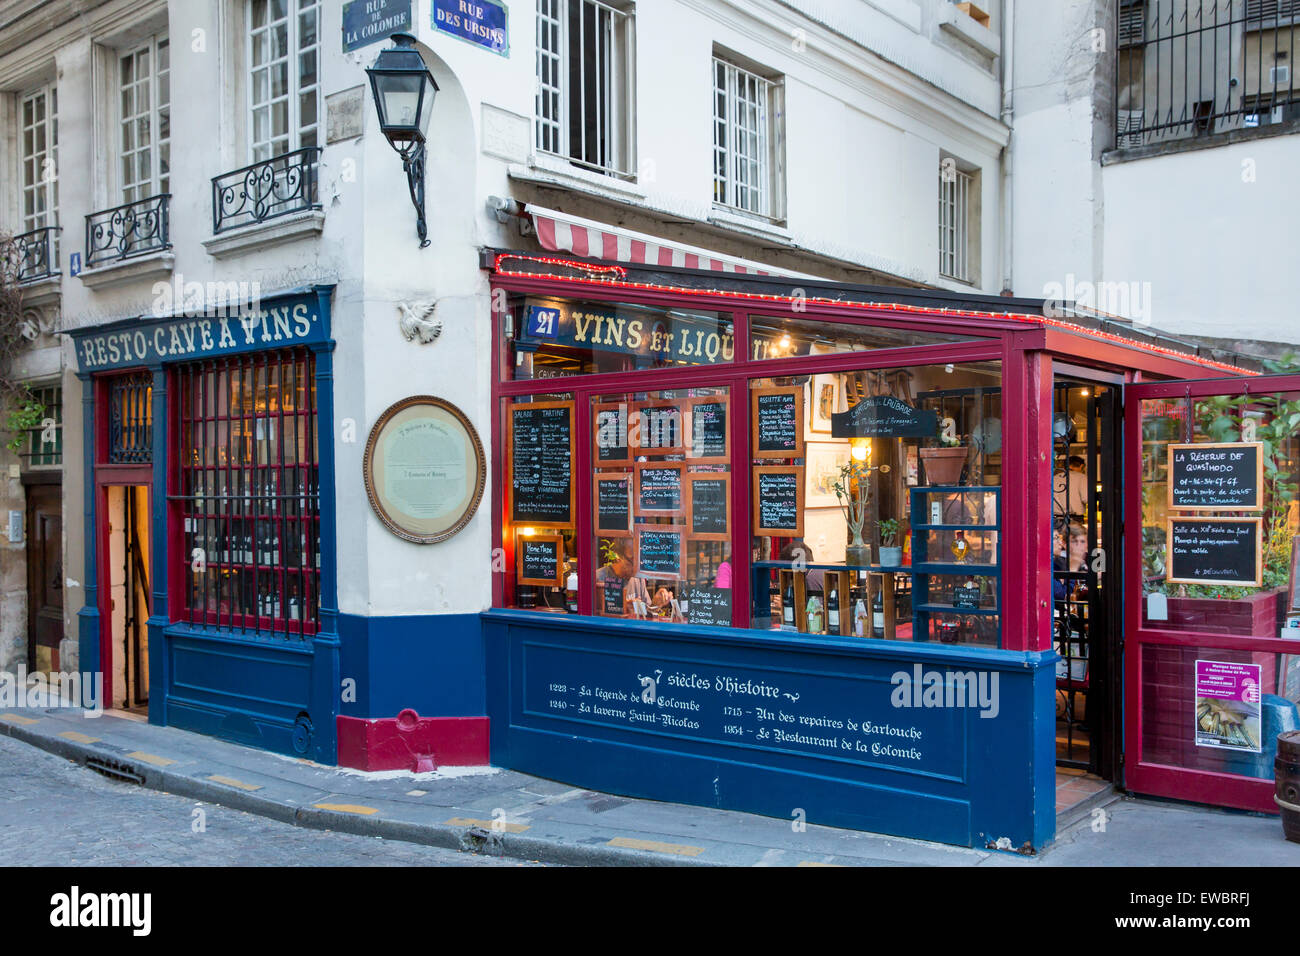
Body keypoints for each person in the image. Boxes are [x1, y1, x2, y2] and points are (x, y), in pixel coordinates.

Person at [596, 540, 651, 616]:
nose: (637, 567)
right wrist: (623, 608)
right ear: (618, 557)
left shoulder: (638, 579)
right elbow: (594, 617)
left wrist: (657, 603)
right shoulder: (598, 578)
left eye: (639, 560)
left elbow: (646, 612)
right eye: (632, 560)